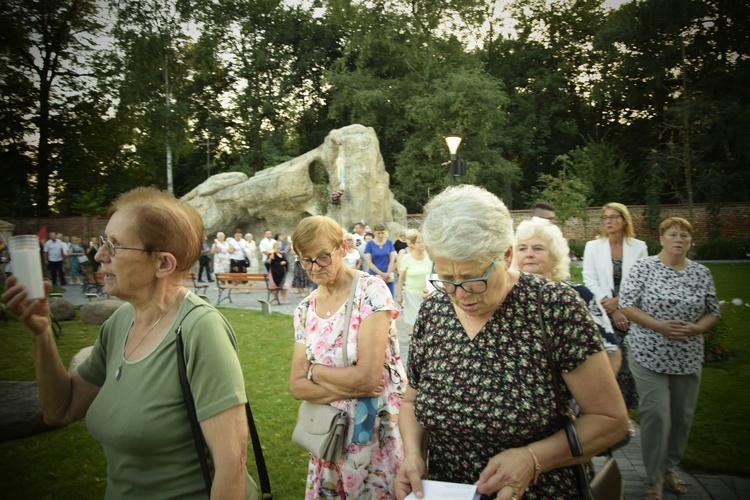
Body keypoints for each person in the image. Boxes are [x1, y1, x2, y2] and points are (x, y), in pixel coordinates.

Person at [2, 187, 257, 499]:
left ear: (163, 264)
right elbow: (60, 410)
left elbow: (232, 465)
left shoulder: (201, 329)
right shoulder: (119, 323)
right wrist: (41, 332)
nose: (99, 255)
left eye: (115, 245)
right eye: (102, 242)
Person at [394, 185, 628, 500]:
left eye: (474, 279)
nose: (461, 295)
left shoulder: (554, 307)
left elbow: (610, 420)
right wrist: (412, 454)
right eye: (447, 279)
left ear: (506, 255)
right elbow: (411, 402)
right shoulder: (434, 310)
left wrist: (532, 458)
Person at [289, 215, 407, 499]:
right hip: (330, 435)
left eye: (322, 257)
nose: (314, 267)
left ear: (342, 248)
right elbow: (296, 386)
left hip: (375, 431)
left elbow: (368, 379)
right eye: (306, 260)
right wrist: (348, 385)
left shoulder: (370, 291)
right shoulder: (305, 309)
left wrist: (315, 372)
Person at [620, 217, 720, 500]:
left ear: (690, 241)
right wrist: (659, 325)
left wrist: (698, 327)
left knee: (681, 418)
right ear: (662, 238)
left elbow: (713, 310)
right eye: (673, 234)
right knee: (656, 416)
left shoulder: (701, 273)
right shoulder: (645, 267)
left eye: (684, 236)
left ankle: (669, 469)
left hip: (687, 356)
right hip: (648, 352)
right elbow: (626, 304)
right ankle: (653, 480)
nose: (679, 239)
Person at [513, 217, 622, 374]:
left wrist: (595, 395)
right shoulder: (508, 297)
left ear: (555, 256)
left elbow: (611, 350)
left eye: (538, 248)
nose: (529, 254)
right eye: (522, 248)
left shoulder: (579, 295)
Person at [583, 202, 648, 412]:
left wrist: (621, 304)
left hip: (632, 312)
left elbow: (643, 281)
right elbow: (589, 279)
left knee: (630, 365)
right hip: (603, 312)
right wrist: (612, 308)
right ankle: (609, 410)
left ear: (624, 220)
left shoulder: (639, 247)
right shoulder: (593, 247)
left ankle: (627, 411)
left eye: (613, 217)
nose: (609, 221)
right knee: (609, 364)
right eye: (605, 218)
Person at [395, 229, 432, 335]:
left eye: (423, 242)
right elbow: (401, 278)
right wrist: (399, 295)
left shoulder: (430, 256)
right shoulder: (407, 258)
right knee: (413, 319)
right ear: (413, 244)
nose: (422, 244)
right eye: (419, 242)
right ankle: (413, 342)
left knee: (427, 319)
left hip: (427, 294)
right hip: (411, 294)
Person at [365, 224, 397, 296]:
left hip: (388, 275)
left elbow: (392, 259)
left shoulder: (389, 242)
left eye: (382, 233)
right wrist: (381, 273)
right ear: (374, 233)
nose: (380, 235)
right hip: (375, 274)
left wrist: (387, 273)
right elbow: (369, 262)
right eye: (378, 233)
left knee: (389, 297)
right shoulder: (370, 244)